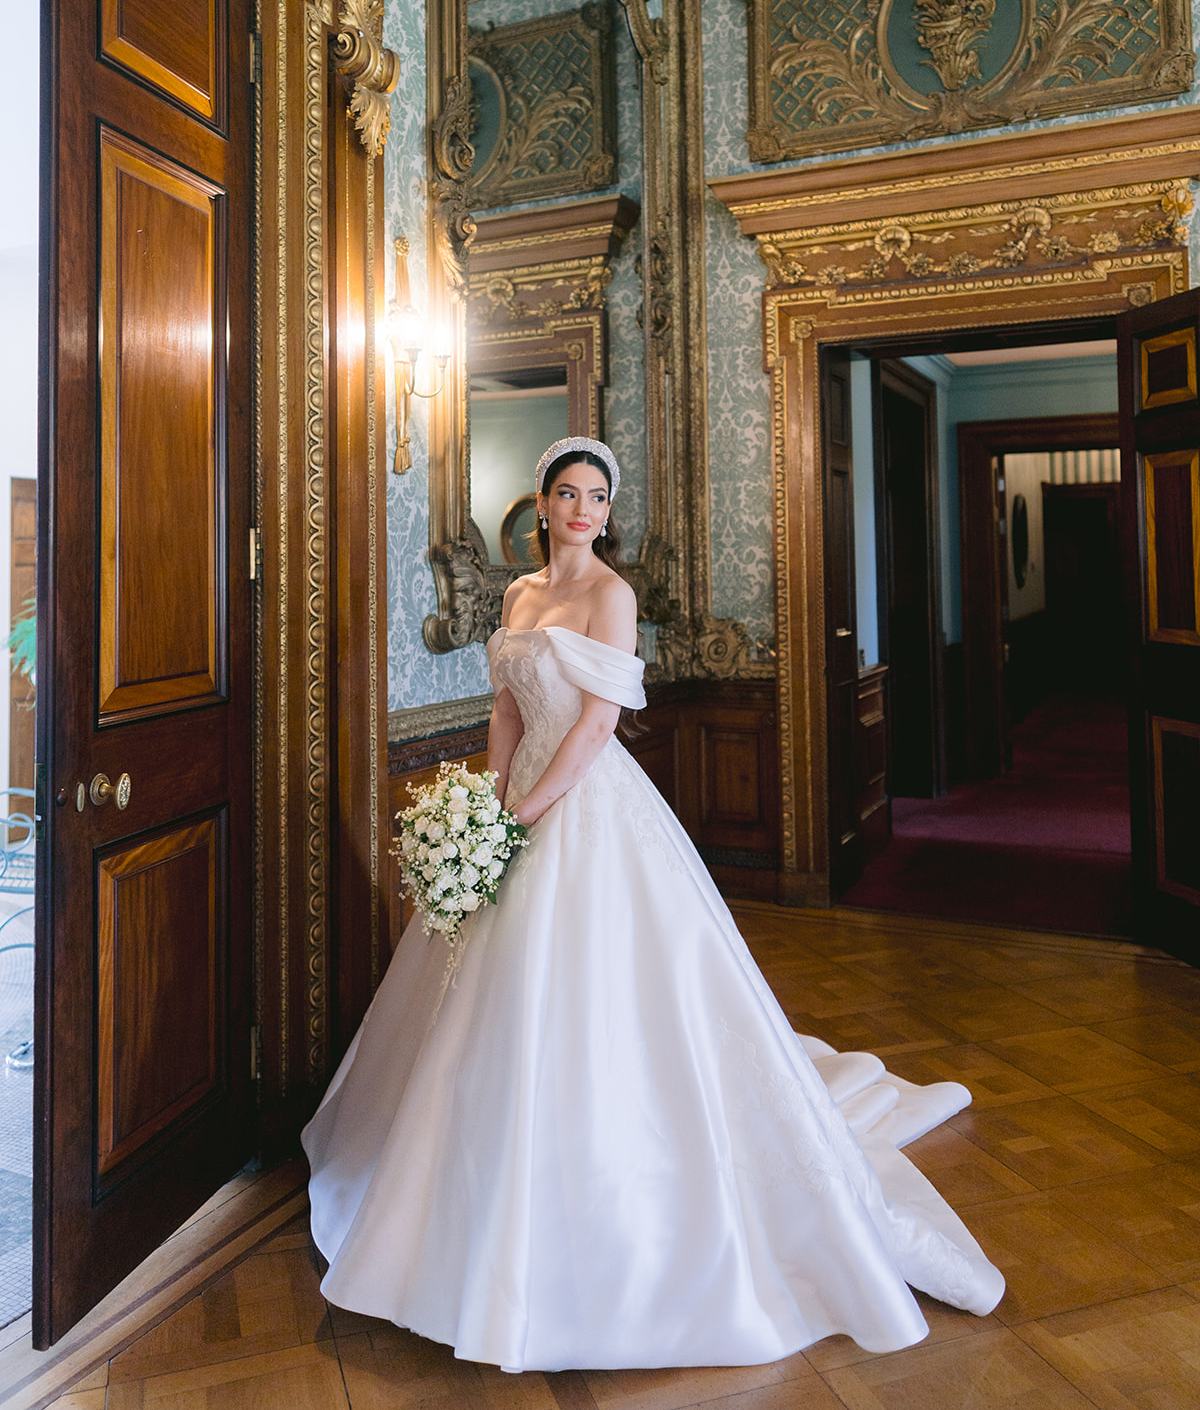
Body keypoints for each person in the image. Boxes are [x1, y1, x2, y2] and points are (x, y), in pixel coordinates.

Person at [302, 435, 1004, 1373]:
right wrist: (486, 798)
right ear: (542, 506)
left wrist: (526, 813)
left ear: (606, 511)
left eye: (597, 496)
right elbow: (508, 710)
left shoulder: (611, 597)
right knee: (483, 998)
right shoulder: (517, 598)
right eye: (568, 494)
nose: (583, 509)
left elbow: (595, 727)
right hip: (515, 801)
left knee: (606, 986)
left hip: (588, 808)